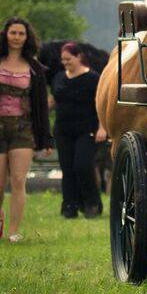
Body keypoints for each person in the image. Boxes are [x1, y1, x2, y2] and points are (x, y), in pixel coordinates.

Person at [0, 17, 53, 242]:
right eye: (13, 33)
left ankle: (13, 231)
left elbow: (41, 106)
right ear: (6, 35)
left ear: (27, 37)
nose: (17, 37)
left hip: (24, 128)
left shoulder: (36, 69)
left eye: (21, 33)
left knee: (19, 180)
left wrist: (46, 139)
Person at [51, 42, 103, 218]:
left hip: (86, 129)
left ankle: (92, 202)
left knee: (82, 165)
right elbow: (54, 100)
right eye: (63, 59)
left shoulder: (93, 78)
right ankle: (70, 205)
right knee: (67, 168)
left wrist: (102, 127)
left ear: (79, 57)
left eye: (69, 59)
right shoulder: (59, 77)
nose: (65, 62)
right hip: (63, 129)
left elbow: (100, 104)